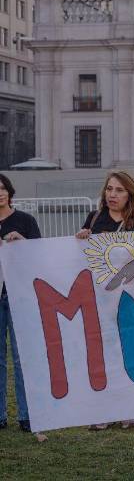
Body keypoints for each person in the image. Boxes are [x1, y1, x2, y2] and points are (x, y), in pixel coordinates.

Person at [76, 170, 134, 430]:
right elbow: (84, 256)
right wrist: (81, 238)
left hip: (130, 298)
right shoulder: (95, 218)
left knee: (130, 351)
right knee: (105, 353)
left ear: (130, 194)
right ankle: (104, 410)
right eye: (109, 189)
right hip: (101, 298)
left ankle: (129, 409)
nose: (112, 194)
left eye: (119, 190)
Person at [0, 174, 41, 434]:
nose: (0, 193)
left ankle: (27, 415)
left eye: (2, 188)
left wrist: (23, 244)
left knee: (23, 356)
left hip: (19, 296)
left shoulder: (25, 221)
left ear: (9, 191)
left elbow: (41, 256)